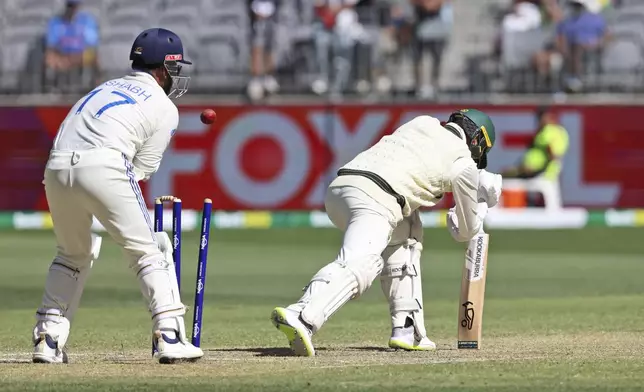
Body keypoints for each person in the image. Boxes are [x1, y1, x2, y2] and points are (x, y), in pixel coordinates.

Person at [271, 109, 503, 356]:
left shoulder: (422, 123)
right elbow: (465, 232)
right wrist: (480, 202)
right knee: (363, 262)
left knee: (407, 231)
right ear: (477, 141)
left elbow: (423, 159)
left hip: (341, 187)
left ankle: (407, 327)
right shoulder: (464, 164)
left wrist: (475, 182)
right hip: (376, 199)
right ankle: (303, 314)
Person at [32, 28, 202, 364]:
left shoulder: (102, 87)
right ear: (163, 69)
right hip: (106, 165)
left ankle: (47, 339)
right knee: (149, 249)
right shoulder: (164, 107)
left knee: (72, 254)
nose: (177, 76)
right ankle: (169, 335)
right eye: (175, 68)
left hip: (56, 167)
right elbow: (137, 173)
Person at [44, 0, 100, 91]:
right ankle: (54, 90)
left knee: (93, 56)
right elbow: (51, 46)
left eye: (74, 6)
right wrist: (60, 58)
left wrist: (71, 59)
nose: (71, 9)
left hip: (81, 56)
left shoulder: (87, 21)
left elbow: (92, 45)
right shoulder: (56, 22)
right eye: (69, 6)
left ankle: (93, 86)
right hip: (62, 56)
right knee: (50, 58)